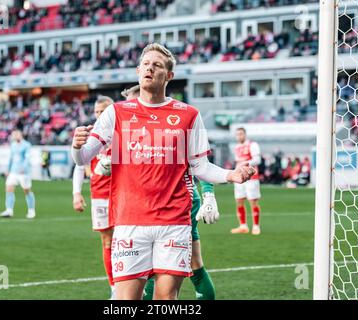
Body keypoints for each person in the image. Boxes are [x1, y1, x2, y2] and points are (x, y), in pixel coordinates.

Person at [71, 43, 255, 300]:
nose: (149, 68)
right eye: (146, 64)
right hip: (129, 220)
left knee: (167, 299)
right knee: (126, 300)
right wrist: (76, 147)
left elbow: (200, 166)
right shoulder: (116, 113)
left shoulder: (189, 115)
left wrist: (230, 175)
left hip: (174, 222)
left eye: (157, 65)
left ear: (168, 75)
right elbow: (84, 157)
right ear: (138, 71)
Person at [122, 84, 218, 300]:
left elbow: (200, 163)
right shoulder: (131, 129)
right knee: (147, 270)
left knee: (193, 263)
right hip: (144, 207)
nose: (130, 106)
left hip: (177, 205)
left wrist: (209, 194)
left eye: (132, 101)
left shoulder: (175, 122)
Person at [72, 96, 115, 299]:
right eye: (97, 111)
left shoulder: (122, 131)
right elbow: (80, 164)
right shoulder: (92, 134)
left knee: (130, 241)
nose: (99, 115)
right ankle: (115, 288)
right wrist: (76, 193)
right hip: (100, 195)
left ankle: (135, 285)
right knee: (107, 242)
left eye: (103, 110)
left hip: (125, 192)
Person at [231, 127, 262, 235]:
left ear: (245, 134)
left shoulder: (252, 145)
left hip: (251, 178)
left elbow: (257, 160)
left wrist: (245, 163)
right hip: (239, 178)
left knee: (253, 201)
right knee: (239, 200)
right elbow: (237, 163)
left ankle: (256, 226)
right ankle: (243, 226)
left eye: (241, 134)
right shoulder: (237, 147)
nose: (239, 136)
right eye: (237, 134)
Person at [0, 130, 36, 219]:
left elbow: (27, 159)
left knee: (27, 191)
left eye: (17, 134)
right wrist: (8, 170)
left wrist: (23, 168)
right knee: (9, 189)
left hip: (23, 173)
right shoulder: (13, 145)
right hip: (13, 172)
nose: (15, 136)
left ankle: (31, 210)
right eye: (14, 135)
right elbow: (11, 159)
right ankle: (9, 210)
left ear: (21, 135)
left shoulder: (26, 145)